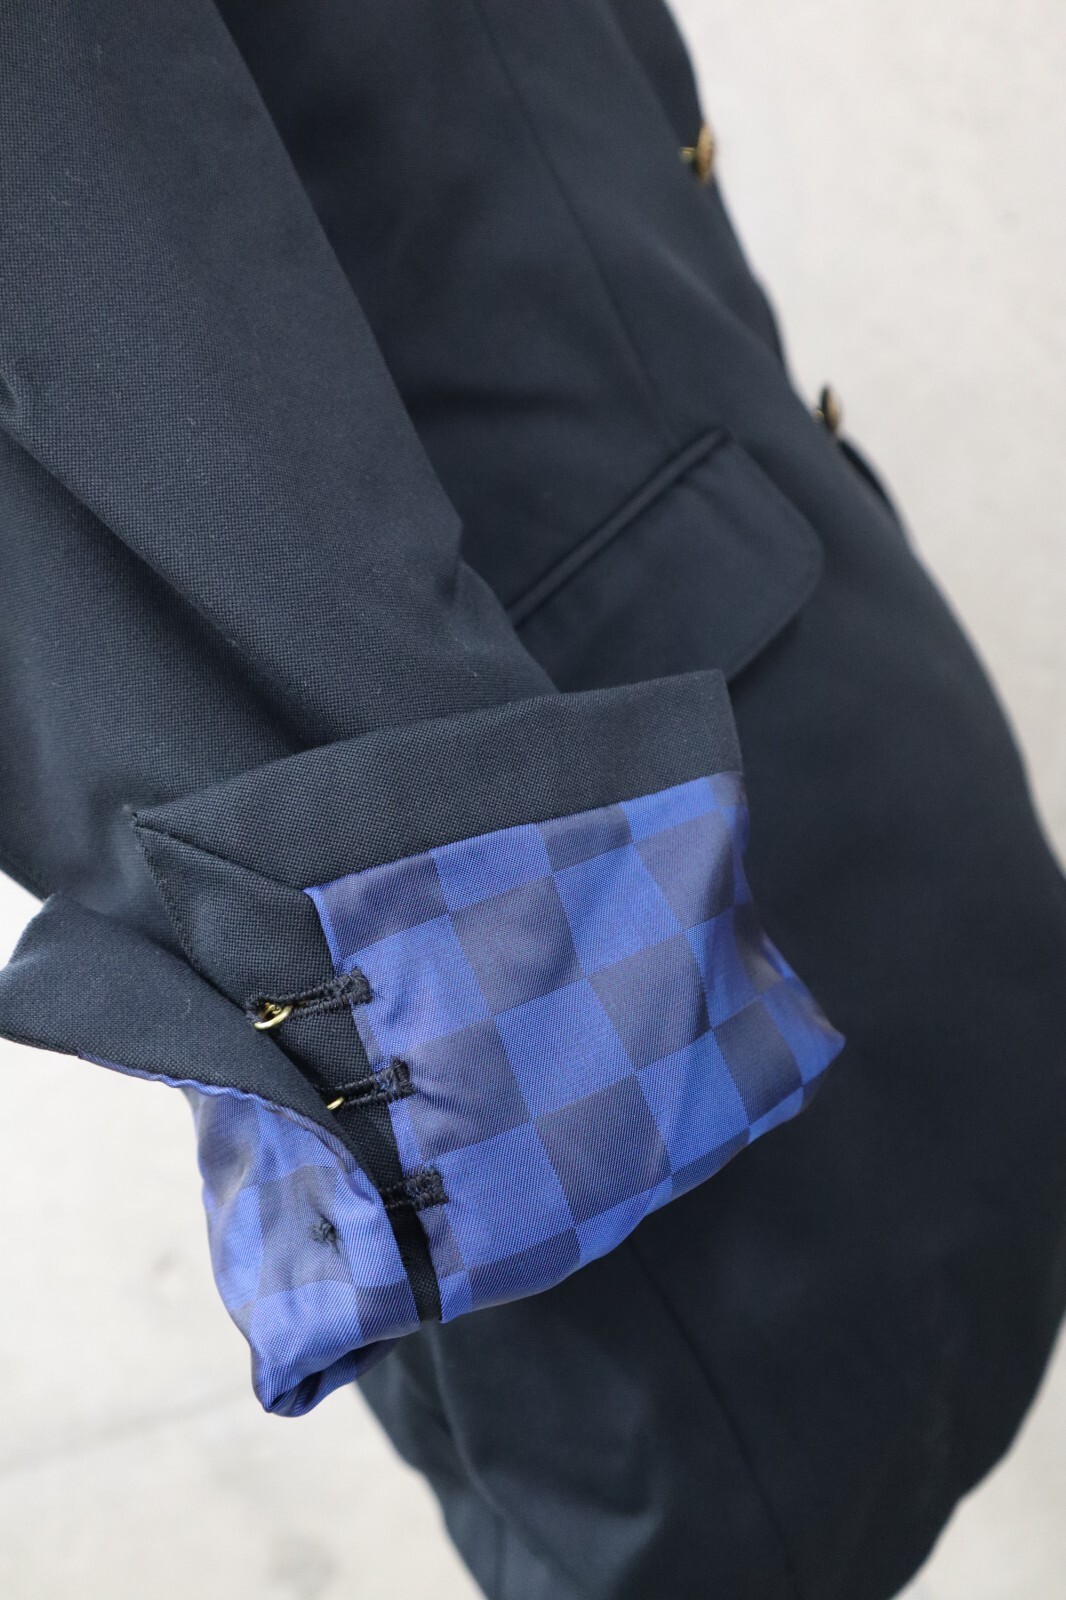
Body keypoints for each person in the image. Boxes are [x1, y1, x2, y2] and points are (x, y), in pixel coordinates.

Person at [1, 4, 1065, 1597]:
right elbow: (110, 293)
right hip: (584, 918)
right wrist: (478, 993)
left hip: (755, 698)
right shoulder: (516, 984)